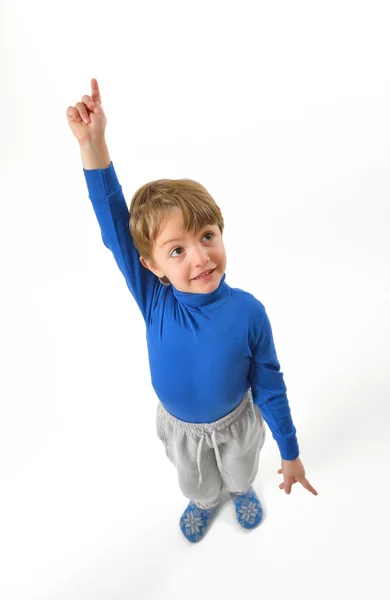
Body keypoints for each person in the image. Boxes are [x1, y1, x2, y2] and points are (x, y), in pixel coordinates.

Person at [66, 78, 318, 544]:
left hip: (237, 424)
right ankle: (205, 501)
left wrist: (290, 452)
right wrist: (93, 142)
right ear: (151, 265)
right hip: (180, 430)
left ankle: (240, 491)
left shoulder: (249, 313)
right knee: (195, 482)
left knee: (240, 470)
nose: (200, 257)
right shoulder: (154, 297)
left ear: (221, 234)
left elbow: (270, 388)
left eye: (207, 236)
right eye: (176, 250)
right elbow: (111, 218)